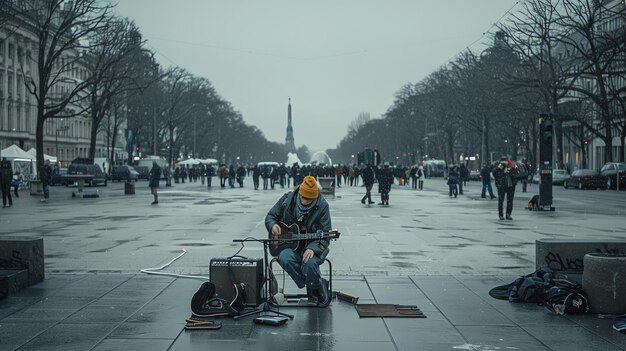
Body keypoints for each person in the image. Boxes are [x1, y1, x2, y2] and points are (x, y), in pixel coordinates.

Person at [265, 176, 332, 307]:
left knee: (309, 263)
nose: (304, 201)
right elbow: (271, 216)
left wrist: (313, 248)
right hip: (290, 246)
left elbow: (326, 235)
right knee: (284, 258)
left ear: (314, 198)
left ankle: (313, 289)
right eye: (302, 197)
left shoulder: (322, 206)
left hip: (311, 246)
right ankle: (315, 284)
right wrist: (272, 225)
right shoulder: (287, 200)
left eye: (308, 199)